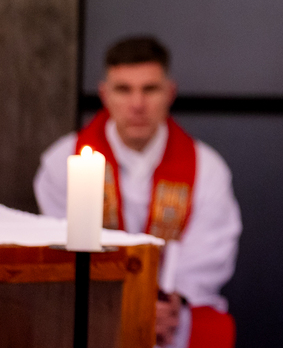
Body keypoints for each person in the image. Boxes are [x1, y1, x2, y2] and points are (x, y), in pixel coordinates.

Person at [35, 36, 242, 348]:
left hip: (171, 312)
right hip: (93, 302)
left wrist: (172, 300)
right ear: (104, 94)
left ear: (170, 92)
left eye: (150, 89)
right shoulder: (62, 161)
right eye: (123, 89)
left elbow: (211, 251)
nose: (137, 104)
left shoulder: (206, 167)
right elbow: (59, 246)